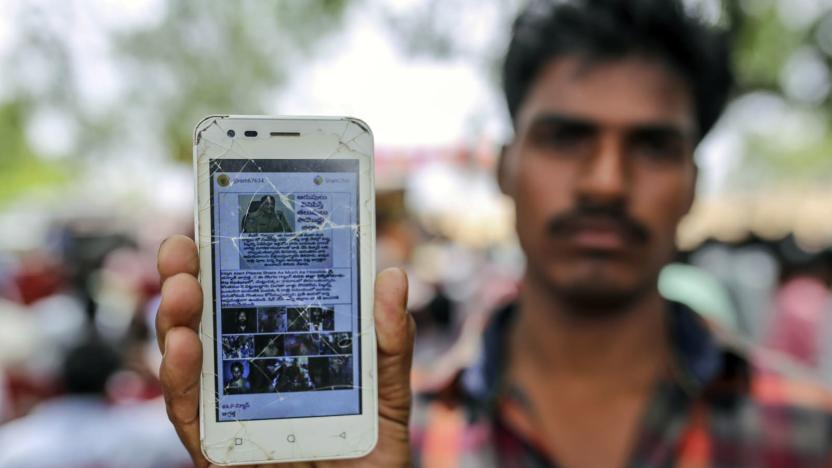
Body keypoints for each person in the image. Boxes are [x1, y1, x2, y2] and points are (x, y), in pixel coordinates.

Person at [155, 1, 832, 466]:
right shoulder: (380, 438)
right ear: (505, 167)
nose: (605, 182)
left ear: (693, 182)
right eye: (566, 137)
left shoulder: (810, 430)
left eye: (652, 147)